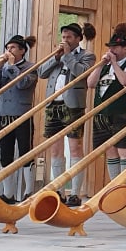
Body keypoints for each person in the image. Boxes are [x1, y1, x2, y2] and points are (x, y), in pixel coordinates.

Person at [36, 22, 96, 205]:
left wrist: (68, 56)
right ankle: (60, 191)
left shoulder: (87, 56)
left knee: (75, 147)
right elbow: (41, 73)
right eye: (63, 37)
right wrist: (56, 57)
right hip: (53, 104)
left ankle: (75, 193)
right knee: (55, 149)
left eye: (69, 37)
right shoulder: (58, 55)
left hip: (73, 106)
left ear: (78, 39)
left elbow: (81, 73)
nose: (65, 40)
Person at [86, 23, 126, 203]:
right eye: (110, 47)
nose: (112, 50)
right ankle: (114, 189)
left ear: (124, 48)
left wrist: (114, 63)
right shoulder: (104, 66)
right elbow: (90, 84)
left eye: (116, 47)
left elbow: (125, 82)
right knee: (110, 151)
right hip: (103, 114)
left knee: (125, 152)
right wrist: (99, 66)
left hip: (123, 113)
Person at [0, 35, 38, 204]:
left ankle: (28, 191)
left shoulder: (30, 67)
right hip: (5, 114)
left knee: (25, 152)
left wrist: (13, 66)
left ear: (22, 51)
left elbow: (23, 84)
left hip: (22, 113)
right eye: (8, 48)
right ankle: (8, 193)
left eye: (13, 48)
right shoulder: (4, 66)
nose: (9, 51)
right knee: (5, 153)